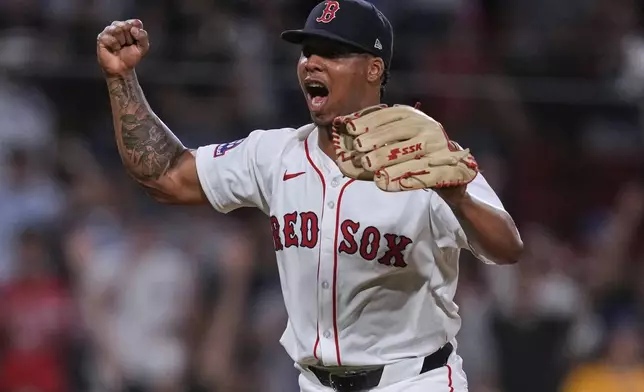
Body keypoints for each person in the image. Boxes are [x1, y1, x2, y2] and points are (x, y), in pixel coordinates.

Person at [96, 1, 523, 391]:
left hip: (413, 381)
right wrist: (121, 78)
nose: (312, 63)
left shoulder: (418, 151)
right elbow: (166, 174)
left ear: (374, 69)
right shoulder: (275, 155)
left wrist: (458, 197)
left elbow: (506, 248)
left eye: (332, 53)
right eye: (307, 51)